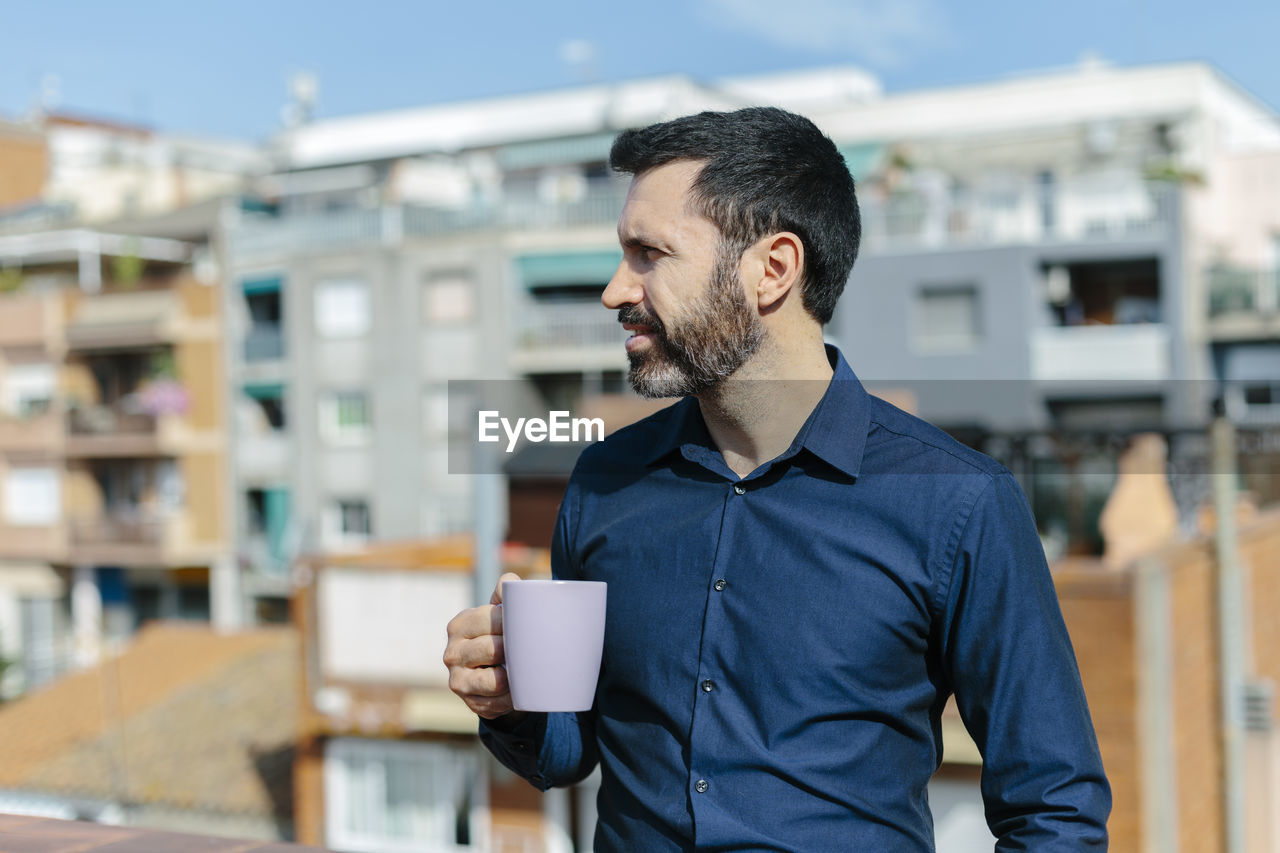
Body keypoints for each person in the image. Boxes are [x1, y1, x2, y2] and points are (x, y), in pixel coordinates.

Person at [444, 106, 1111, 850]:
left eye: (649, 254)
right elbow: (569, 747)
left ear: (773, 269)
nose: (614, 291)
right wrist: (509, 703)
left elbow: (1055, 810)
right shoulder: (605, 480)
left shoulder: (958, 503)